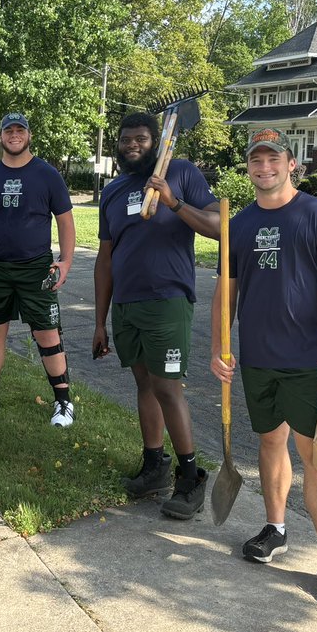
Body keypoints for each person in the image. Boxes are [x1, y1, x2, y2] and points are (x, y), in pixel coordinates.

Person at [210, 127, 317, 606]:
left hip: (307, 360)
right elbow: (226, 292)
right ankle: (275, 529)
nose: (264, 167)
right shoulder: (239, 224)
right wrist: (220, 346)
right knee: (270, 441)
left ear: (291, 163)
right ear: (249, 167)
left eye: (273, 159)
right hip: (256, 360)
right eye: (256, 160)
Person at [92, 113, 220, 519]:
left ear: (157, 143)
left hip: (167, 300)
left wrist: (174, 202)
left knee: (167, 387)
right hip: (126, 305)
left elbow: (220, 225)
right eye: (126, 139)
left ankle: (190, 476)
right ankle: (155, 465)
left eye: (141, 139)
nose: (133, 144)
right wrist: (99, 321)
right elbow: (105, 258)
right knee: (144, 384)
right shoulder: (113, 192)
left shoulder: (180, 174)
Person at [0, 112, 76, 426]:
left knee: (47, 333)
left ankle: (63, 402)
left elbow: (65, 221)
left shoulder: (47, 175)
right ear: (1, 136)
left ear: (29, 135)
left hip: (36, 267)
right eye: (9, 130)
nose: (14, 135)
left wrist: (65, 262)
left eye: (20, 130)